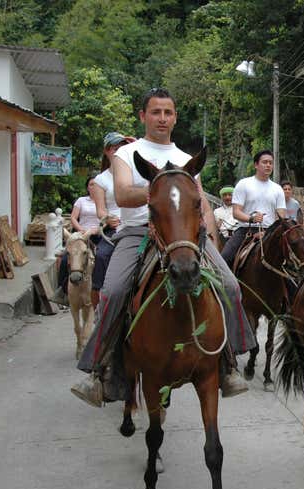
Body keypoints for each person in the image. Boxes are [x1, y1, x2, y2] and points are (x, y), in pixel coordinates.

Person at [71, 88, 255, 407]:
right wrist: (163, 190)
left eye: (168, 112)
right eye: (155, 112)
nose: (162, 118)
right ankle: (98, 369)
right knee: (113, 291)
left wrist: (210, 237)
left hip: (185, 235)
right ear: (143, 116)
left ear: (175, 118)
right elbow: (123, 194)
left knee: (229, 284)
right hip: (137, 231)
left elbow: (201, 203)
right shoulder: (126, 155)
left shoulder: (185, 159)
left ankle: (229, 363)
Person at [90, 131, 135, 306]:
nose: (119, 152)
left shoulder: (135, 173)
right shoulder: (100, 180)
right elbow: (100, 210)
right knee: (102, 256)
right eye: (115, 149)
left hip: (137, 223)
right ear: (107, 151)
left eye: (123, 148)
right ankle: (98, 303)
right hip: (115, 228)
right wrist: (108, 218)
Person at [220, 150, 287, 266]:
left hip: (270, 233)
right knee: (223, 260)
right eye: (265, 162)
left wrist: (268, 233)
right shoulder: (244, 184)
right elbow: (236, 212)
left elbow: (281, 217)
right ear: (256, 165)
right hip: (246, 231)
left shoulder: (277, 189)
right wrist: (252, 218)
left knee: (292, 261)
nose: (268, 165)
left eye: (270, 163)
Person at [58, 177, 101, 294]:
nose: (94, 187)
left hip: (98, 234)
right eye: (91, 184)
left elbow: (106, 219)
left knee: (101, 257)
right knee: (65, 259)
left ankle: (98, 289)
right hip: (80, 235)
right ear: (87, 187)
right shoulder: (81, 200)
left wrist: (97, 230)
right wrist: (81, 229)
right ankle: (62, 290)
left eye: (96, 184)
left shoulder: (104, 201)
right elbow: (73, 218)